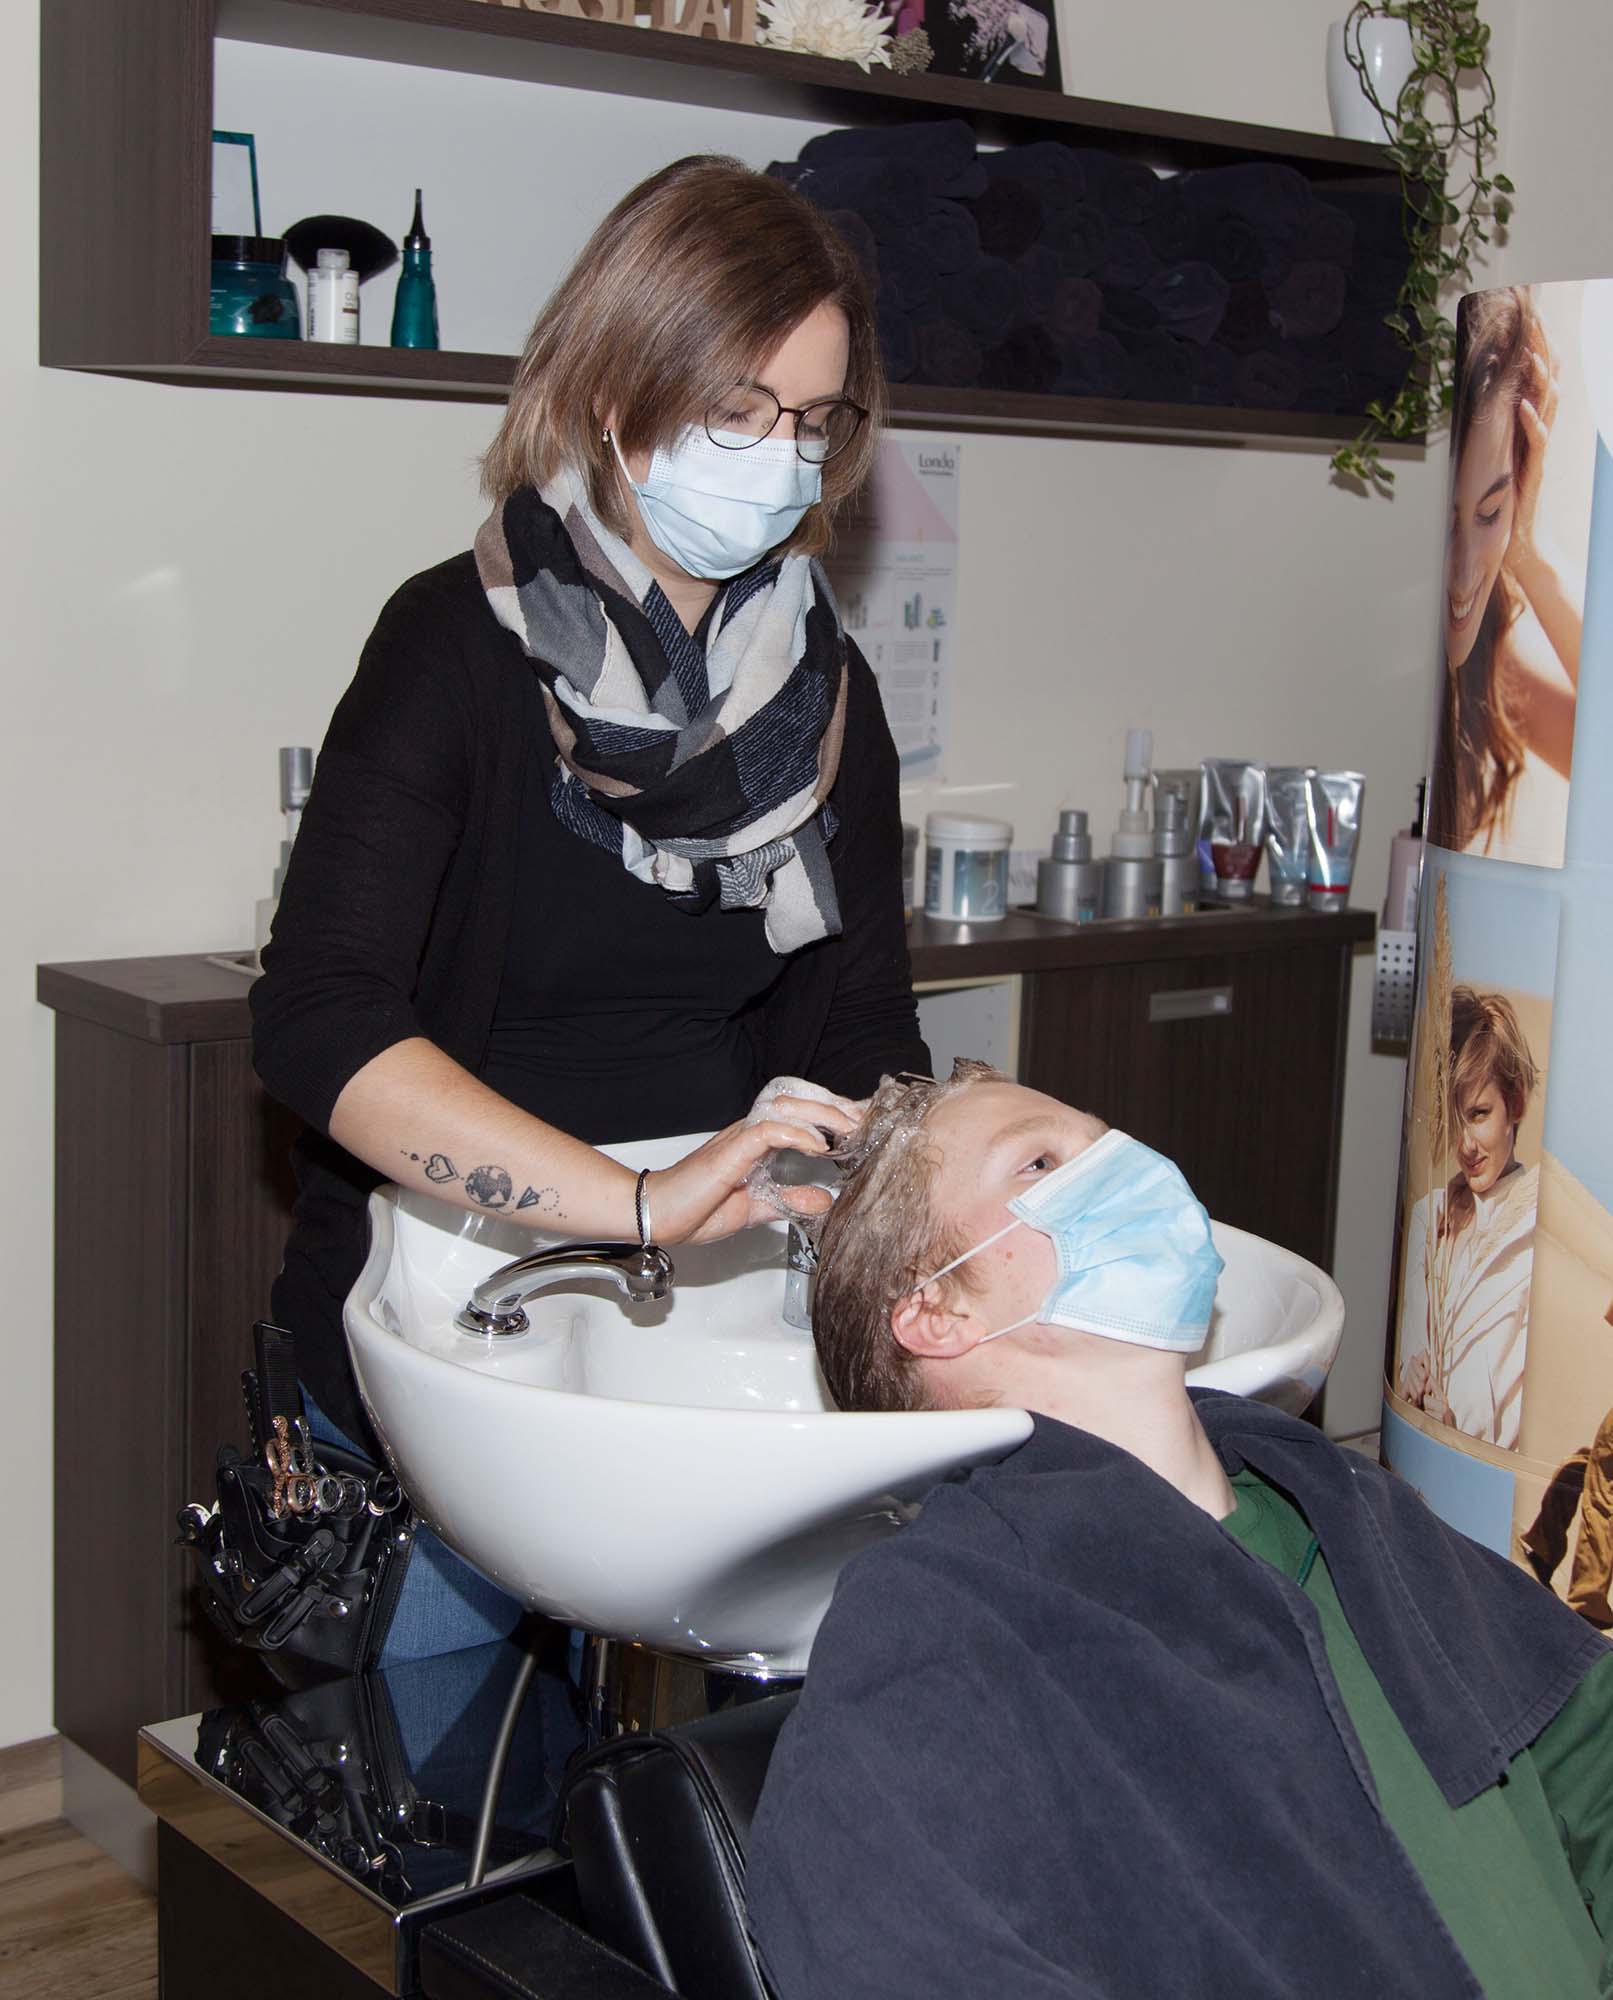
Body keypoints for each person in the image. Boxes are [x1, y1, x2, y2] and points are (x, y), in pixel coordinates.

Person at [251, 155, 929, 1661]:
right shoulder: (451, 645)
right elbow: (319, 1022)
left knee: (705, 1777)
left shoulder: (824, 700)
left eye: (815, 421)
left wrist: (891, 1190)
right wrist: (633, 1206)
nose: (781, 457)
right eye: (738, 409)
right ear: (617, 392)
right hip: (456, 1306)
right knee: (455, 1777)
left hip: (712, 1304)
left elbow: (865, 1024)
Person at [746, 1062, 1613, 2000]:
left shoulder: (1335, 1501)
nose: (1127, 1164)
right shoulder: (946, 1618)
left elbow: (1583, 1746)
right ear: (938, 1311)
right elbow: (880, 1936)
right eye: (1040, 1162)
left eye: (1104, 1137)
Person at [1429, 285, 1583, 862]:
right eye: (1446, 523)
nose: (1465, 573)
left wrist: (1528, 553)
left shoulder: (1495, 658)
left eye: (1489, 511)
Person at [1397, 985, 1541, 1449]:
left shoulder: (1539, 1238)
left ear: (1515, 1104)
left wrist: (1457, 1428)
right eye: (1455, 1119)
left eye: (1479, 1114)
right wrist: (1408, 1376)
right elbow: (1408, 1348)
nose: (1466, 1146)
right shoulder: (1428, 1217)